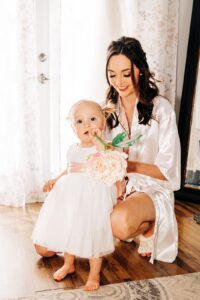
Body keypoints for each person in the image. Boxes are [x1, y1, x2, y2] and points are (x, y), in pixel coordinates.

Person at [104, 36, 181, 263]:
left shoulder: (161, 110)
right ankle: (133, 219)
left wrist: (130, 165)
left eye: (126, 74)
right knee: (83, 215)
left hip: (154, 189)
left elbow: (169, 171)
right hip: (121, 188)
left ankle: (150, 225)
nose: (119, 81)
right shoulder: (109, 110)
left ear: (139, 70)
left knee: (118, 224)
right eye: (112, 74)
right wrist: (117, 187)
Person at [32, 100, 121, 291]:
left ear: (103, 123)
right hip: (71, 194)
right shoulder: (73, 149)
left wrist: (98, 140)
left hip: (93, 196)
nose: (87, 125)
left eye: (92, 119)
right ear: (74, 128)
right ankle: (68, 263)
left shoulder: (103, 146)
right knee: (69, 228)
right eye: (80, 122)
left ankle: (94, 274)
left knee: (93, 233)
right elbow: (69, 169)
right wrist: (55, 179)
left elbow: (107, 156)